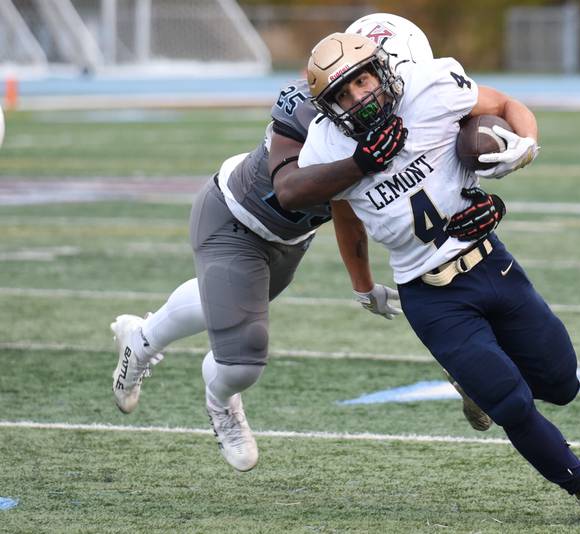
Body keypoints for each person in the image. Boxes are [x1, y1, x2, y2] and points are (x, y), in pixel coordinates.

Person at [110, 14, 493, 473]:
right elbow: (302, 192)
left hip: (292, 237)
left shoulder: (399, 103)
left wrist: (500, 155)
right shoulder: (309, 105)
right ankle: (220, 399)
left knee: (227, 302)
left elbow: (368, 205)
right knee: (243, 358)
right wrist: (362, 172)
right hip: (236, 217)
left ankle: (141, 337)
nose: (377, 98)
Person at [297, 33, 580, 527]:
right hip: (430, 294)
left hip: (491, 262)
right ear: (329, 108)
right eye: (342, 96)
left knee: (562, 383)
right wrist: (363, 283)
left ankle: (474, 383)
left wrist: (524, 147)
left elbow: (505, 103)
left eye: (362, 81)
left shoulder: (428, 88)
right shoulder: (328, 147)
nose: (358, 99)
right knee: (512, 403)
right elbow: (345, 213)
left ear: (383, 69)